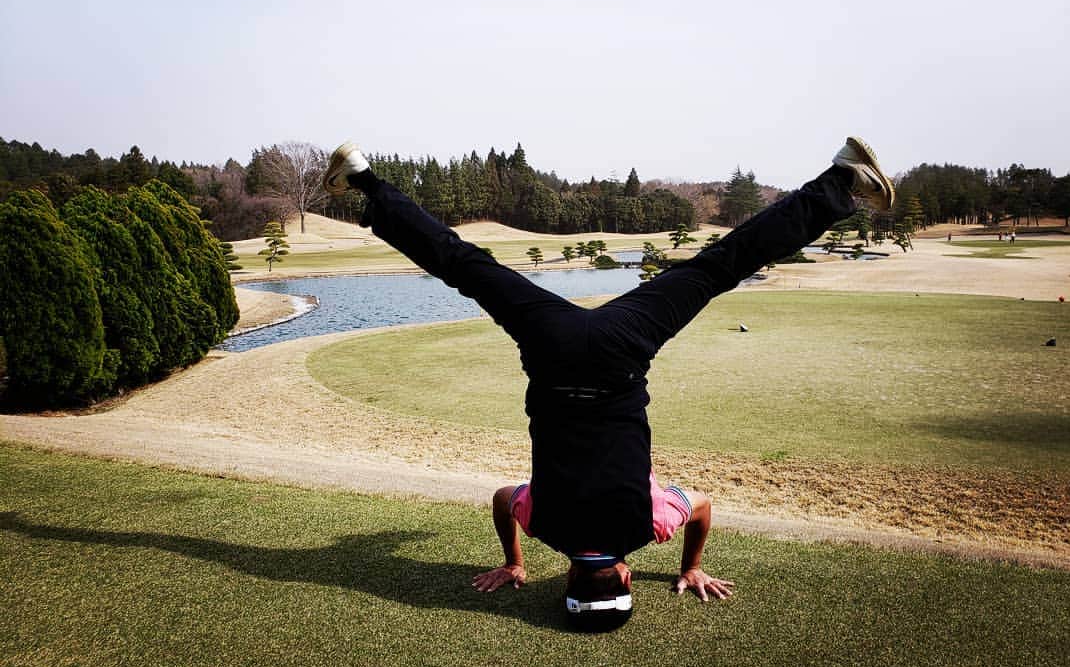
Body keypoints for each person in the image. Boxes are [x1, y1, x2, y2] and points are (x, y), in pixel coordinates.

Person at [323, 137, 895, 631]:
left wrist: (690, 567)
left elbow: (700, 505)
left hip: (623, 350)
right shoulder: (542, 522)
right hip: (553, 349)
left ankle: (842, 177)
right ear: (570, 575)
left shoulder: (648, 526)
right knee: (465, 265)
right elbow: (502, 499)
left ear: (623, 575)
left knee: (720, 265)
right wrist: (516, 561)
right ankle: (364, 178)